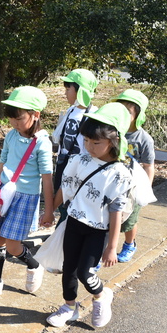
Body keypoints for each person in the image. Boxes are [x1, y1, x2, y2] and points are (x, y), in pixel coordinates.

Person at [47, 103, 133, 329]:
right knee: (69, 269)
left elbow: (116, 212)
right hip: (74, 222)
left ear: (114, 141)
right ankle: (69, 306)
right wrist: (49, 212)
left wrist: (112, 247)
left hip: (98, 230)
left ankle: (101, 296)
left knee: (86, 273)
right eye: (85, 140)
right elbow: (65, 188)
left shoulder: (120, 173)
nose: (89, 147)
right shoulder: (79, 160)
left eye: (96, 143)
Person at [0, 86, 55, 300]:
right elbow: (2, 163)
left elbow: (47, 180)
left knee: (12, 244)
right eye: (11, 118)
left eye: (18, 119)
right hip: (3, 194)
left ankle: (34, 265)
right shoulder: (11, 135)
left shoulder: (42, 144)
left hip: (25, 199)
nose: (13, 123)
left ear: (35, 115)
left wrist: (49, 211)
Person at [51, 69, 99, 224]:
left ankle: (66, 228)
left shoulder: (94, 115)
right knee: (60, 195)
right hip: (63, 162)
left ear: (80, 91)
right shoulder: (71, 110)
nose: (65, 93)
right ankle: (62, 227)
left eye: (68, 89)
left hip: (80, 167)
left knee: (74, 199)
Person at [112, 89, 155, 263]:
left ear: (138, 115)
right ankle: (106, 248)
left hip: (133, 187)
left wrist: (145, 189)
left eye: (128, 112)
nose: (123, 115)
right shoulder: (113, 131)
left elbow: (149, 165)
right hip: (114, 183)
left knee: (129, 220)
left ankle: (130, 244)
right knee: (111, 217)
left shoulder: (144, 139)